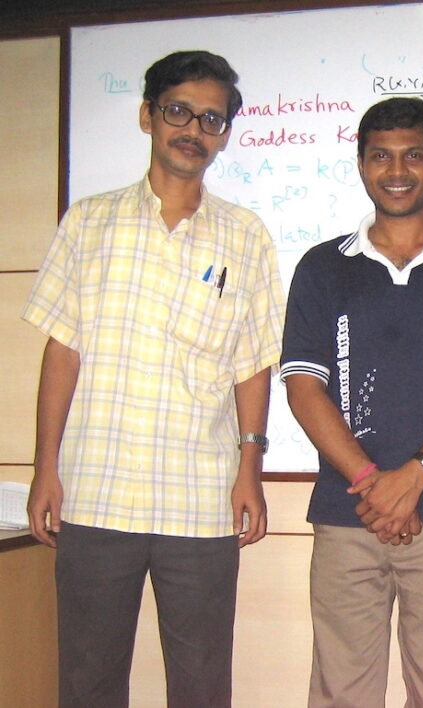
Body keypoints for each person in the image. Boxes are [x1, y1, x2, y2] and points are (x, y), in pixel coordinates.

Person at [22, 50, 285, 707]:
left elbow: (252, 364)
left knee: (201, 687)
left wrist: (249, 470)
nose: (193, 129)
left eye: (211, 118)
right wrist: (44, 468)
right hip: (94, 493)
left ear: (223, 135)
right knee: (87, 682)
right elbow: (63, 353)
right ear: (148, 116)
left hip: (198, 500)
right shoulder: (89, 221)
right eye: (178, 111)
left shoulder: (245, 236)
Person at [281, 96, 423, 708]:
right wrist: (370, 482)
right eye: (380, 156)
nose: (397, 170)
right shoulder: (323, 267)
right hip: (346, 508)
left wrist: (415, 477)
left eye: (413, 155)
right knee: (340, 692)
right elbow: (304, 388)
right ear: (361, 165)